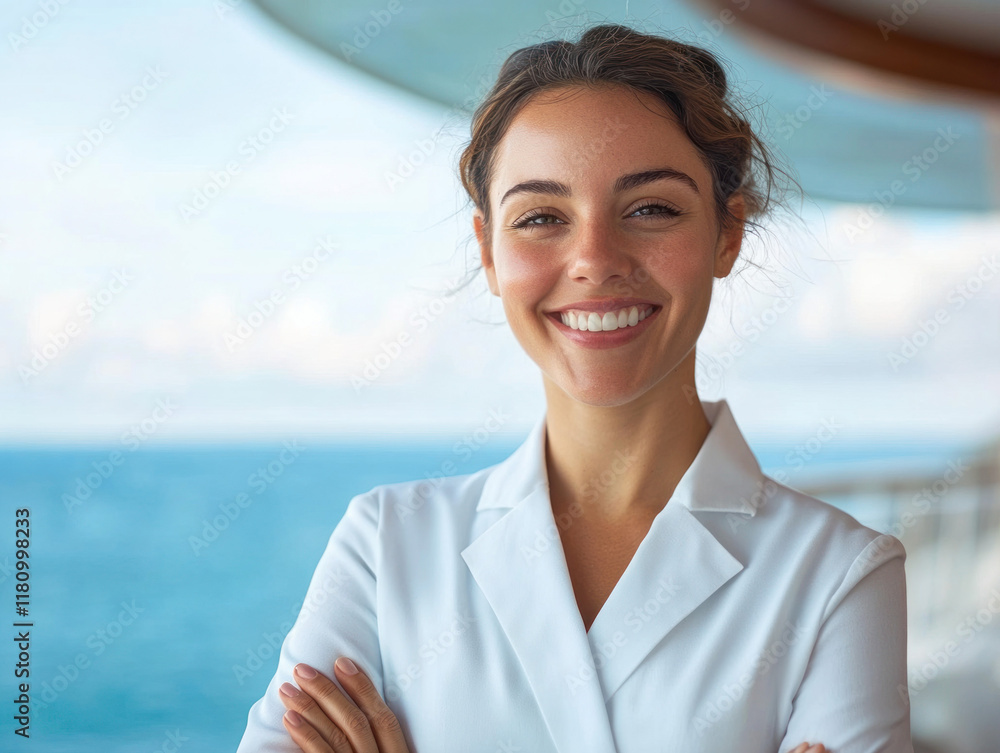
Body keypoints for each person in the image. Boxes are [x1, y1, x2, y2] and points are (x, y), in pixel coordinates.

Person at [236, 22, 913, 753]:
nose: (594, 259)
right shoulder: (385, 548)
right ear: (489, 253)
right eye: (541, 217)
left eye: (650, 208)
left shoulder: (840, 575)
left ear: (728, 233)